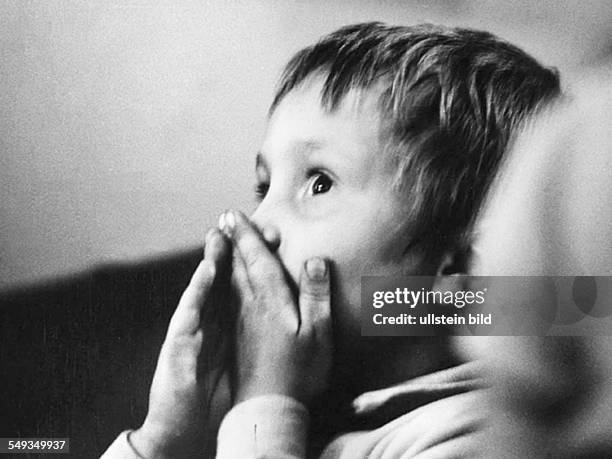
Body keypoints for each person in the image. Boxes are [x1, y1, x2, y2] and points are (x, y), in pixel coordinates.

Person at [102, 22, 560, 458]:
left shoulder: (478, 435)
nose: (256, 223)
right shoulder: (300, 414)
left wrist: (265, 404)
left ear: (459, 271)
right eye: (264, 189)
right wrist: (164, 441)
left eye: (318, 182)